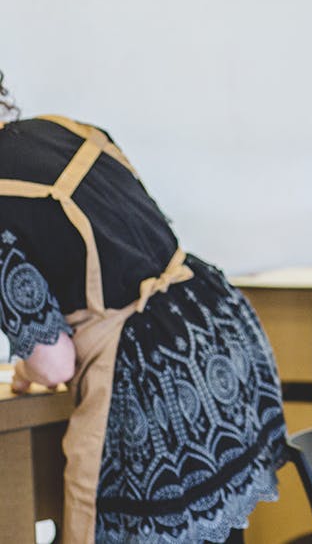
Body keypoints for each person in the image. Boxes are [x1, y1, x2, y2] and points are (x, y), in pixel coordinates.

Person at [0, 70, 287, 544]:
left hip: (150, 380)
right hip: (212, 328)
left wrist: (28, 368)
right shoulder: (67, 130)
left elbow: (53, 361)